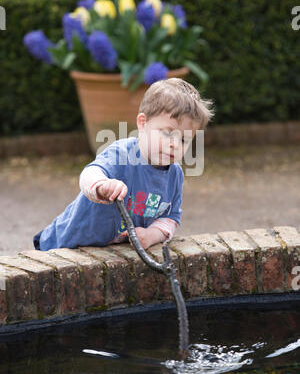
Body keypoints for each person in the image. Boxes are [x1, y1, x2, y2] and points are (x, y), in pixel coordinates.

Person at [33, 78, 214, 251]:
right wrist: (102, 185)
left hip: (111, 253)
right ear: (142, 123)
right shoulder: (123, 153)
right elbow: (90, 174)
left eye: (184, 139)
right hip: (67, 244)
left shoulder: (174, 175)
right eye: (167, 133)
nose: (174, 144)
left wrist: (152, 235)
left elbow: (170, 217)